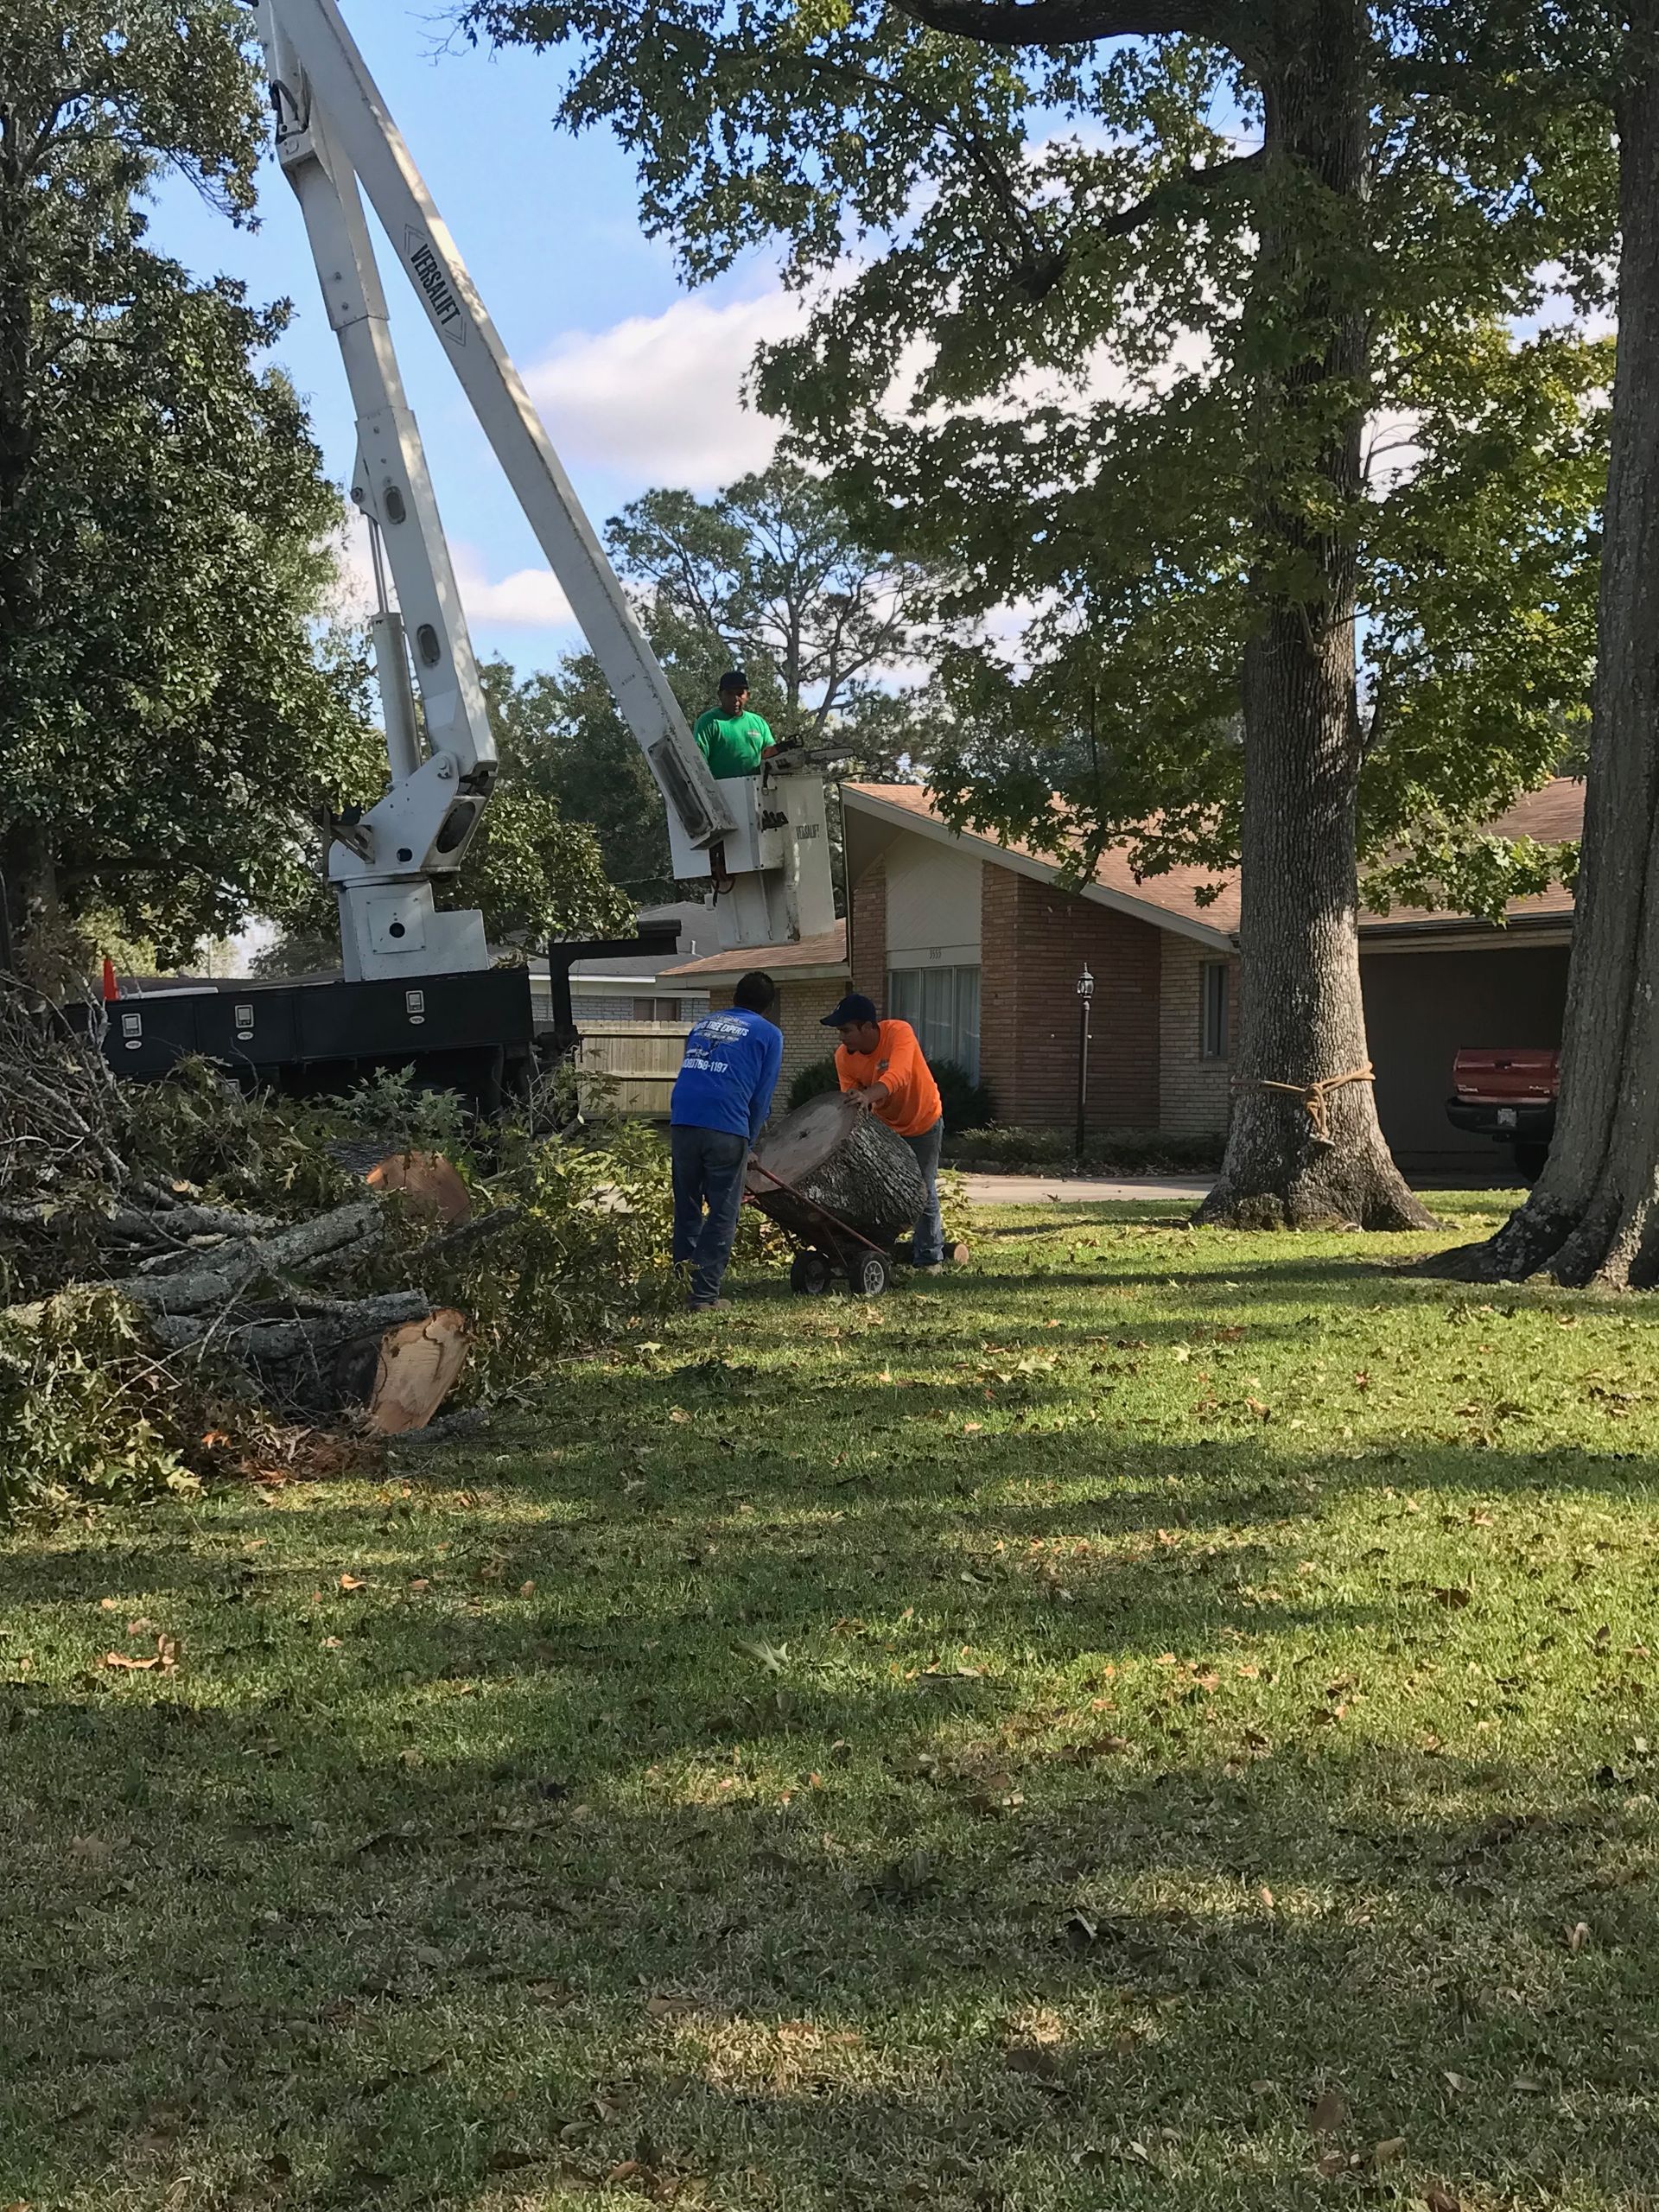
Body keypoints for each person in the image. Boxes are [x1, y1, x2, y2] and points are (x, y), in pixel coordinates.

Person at [669, 970, 783, 1312]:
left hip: (682, 1120)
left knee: (687, 1206)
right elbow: (762, 1096)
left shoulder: (703, 1024)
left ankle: (679, 1290)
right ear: (769, 1005)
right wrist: (748, 1141)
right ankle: (703, 1297)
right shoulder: (768, 1033)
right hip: (726, 1124)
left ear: (734, 997)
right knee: (723, 1210)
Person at [821, 992, 946, 1273]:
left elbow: (899, 1075)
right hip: (886, 1125)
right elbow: (850, 1099)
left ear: (867, 1027)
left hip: (924, 1121)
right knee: (878, 1190)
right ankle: (869, 1252)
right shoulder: (843, 1057)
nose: (841, 1037)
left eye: (846, 1030)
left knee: (922, 1189)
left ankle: (929, 1259)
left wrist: (868, 1096)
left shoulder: (899, 1033)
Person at [693, 668, 777, 781]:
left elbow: (770, 755)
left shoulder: (759, 722)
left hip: (756, 792)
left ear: (748, 695)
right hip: (723, 792)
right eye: (729, 693)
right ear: (720, 695)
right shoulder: (708, 722)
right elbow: (698, 761)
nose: (735, 699)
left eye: (740, 694)